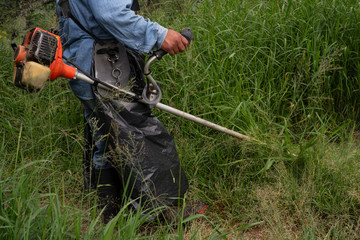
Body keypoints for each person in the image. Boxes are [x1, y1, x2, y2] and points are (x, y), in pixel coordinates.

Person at [55, 0, 191, 223]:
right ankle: (162, 212)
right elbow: (110, 13)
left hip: (82, 61)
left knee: (106, 138)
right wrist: (160, 34)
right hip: (101, 63)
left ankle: (111, 216)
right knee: (138, 135)